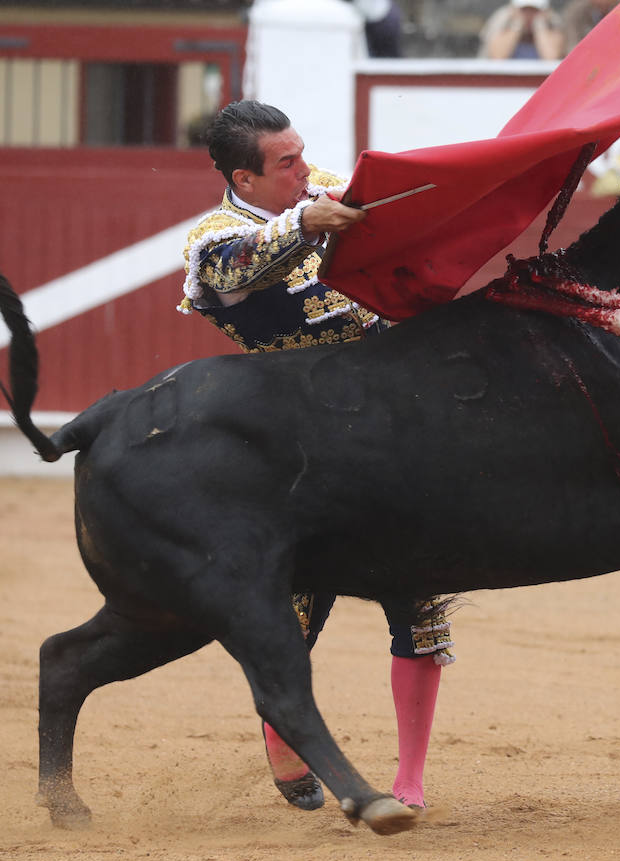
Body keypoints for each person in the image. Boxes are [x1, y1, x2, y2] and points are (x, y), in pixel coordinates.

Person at [178, 100, 453, 810]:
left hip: (390, 428)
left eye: (304, 154)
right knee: (295, 604)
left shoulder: (324, 189)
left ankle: (410, 779)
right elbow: (236, 270)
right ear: (245, 175)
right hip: (297, 444)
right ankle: (281, 725)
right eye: (287, 164)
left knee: (421, 596)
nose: (306, 172)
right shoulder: (215, 236)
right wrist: (303, 223)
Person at [479, 0, 566, 60]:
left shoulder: (553, 24)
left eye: (534, 10)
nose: (528, 15)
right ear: (514, 10)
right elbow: (498, 58)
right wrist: (517, 25)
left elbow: (551, 58)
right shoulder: (502, 21)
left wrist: (540, 26)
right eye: (524, 10)